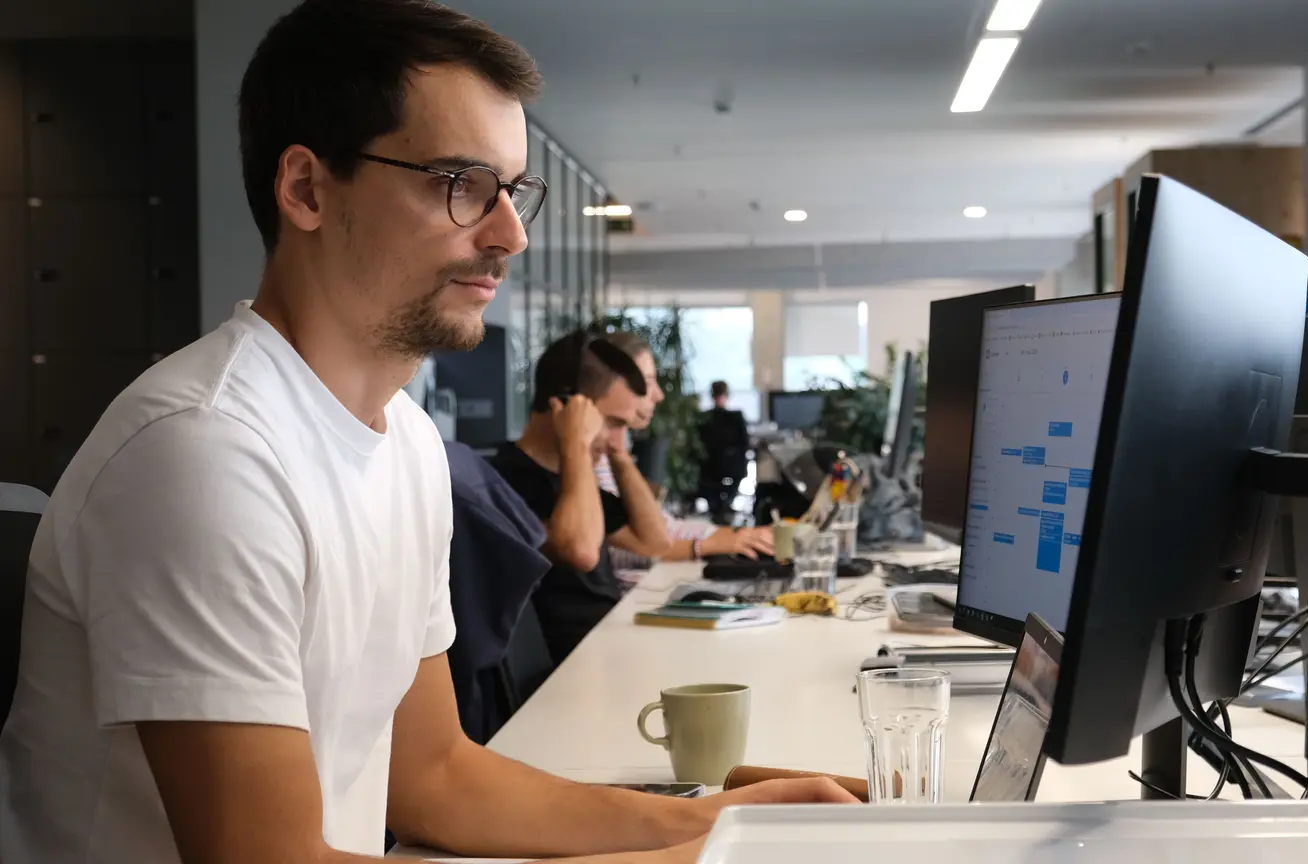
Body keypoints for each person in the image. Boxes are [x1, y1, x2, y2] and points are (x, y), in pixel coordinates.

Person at [0, 2, 854, 862]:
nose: (509, 233)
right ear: (305, 188)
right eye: (460, 184)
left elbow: (436, 775)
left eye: (513, 190)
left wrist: (716, 822)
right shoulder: (204, 452)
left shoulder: (404, 442)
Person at [492, 330, 673, 664]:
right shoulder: (507, 478)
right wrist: (577, 441)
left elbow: (654, 542)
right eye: (612, 422)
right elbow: (581, 550)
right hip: (569, 673)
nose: (619, 435)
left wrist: (617, 453)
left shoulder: (575, 479)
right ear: (567, 408)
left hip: (607, 652)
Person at [596, 332, 775, 569]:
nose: (659, 395)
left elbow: (662, 528)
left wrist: (736, 535)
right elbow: (621, 550)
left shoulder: (611, 455)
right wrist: (715, 543)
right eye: (647, 383)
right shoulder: (591, 462)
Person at [698, 380, 752, 524]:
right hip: (723, 466)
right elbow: (745, 443)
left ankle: (720, 505)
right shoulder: (735, 417)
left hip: (714, 466)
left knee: (713, 479)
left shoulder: (705, 419)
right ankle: (724, 504)